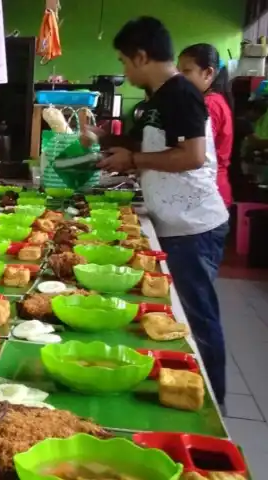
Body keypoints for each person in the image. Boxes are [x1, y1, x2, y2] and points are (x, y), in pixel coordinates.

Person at [84, 17, 229, 408]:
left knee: (197, 320)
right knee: (179, 317)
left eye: (124, 62)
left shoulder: (181, 93)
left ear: (142, 56)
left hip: (194, 227)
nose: (124, 71)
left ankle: (213, 402)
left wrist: (133, 158)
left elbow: (192, 156)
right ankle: (183, 387)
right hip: (171, 222)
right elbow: (149, 144)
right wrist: (111, 144)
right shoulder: (156, 100)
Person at [178, 44, 234, 207]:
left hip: (209, 193)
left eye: (186, 71)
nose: (179, 77)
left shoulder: (209, 104)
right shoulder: (211, 100)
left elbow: (194, 153)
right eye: (178, 71)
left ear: (208, 73)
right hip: (209, 190)